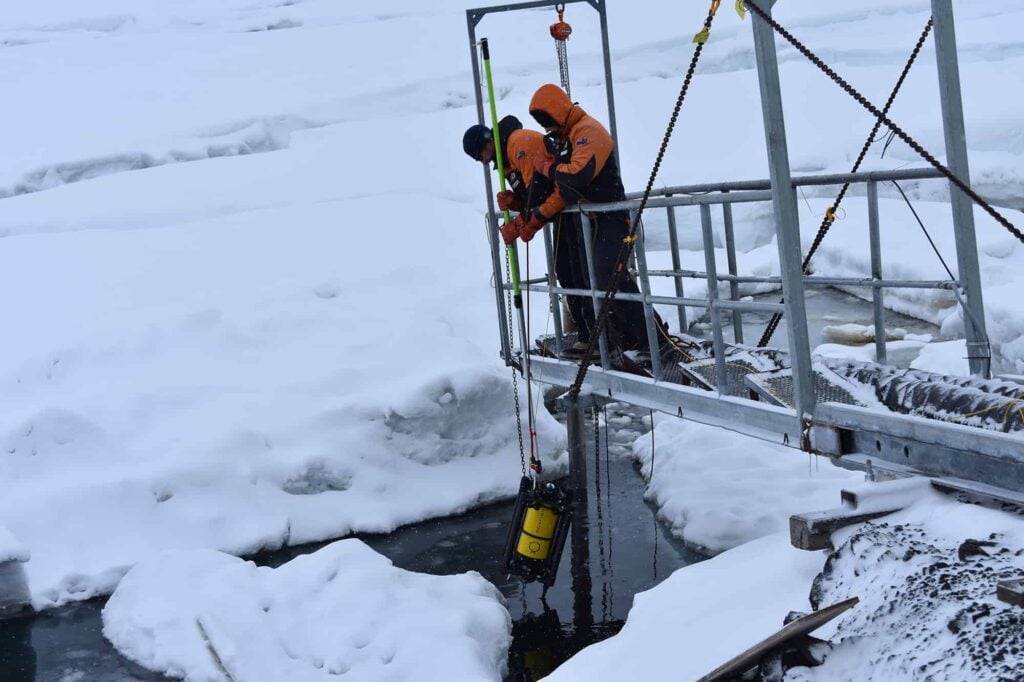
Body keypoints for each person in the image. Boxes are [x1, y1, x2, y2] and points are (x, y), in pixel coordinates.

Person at [528, 83, 668, 354]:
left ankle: (657, 339)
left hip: (611, 218)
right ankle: (627, 339)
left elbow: (578, 174)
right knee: (593, 280)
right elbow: (566, 184)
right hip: (591, 220)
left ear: (559, 112)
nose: (547, 129)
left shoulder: (588, 132)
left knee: (610, 277)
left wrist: (548, 167)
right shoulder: (569, 138)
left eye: (549, 121)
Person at [463, 116, 595, 354]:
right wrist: (516, 203)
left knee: (581, 273)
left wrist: (522, 223)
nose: (482, 162)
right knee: (568, 272)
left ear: (486, 145)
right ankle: (589, 335)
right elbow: (530, 196)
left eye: (478, 156)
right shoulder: (506, 159)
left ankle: (598, 336)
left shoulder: (519, 144)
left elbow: (542, 191)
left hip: (576, 211)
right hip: (564, 214)